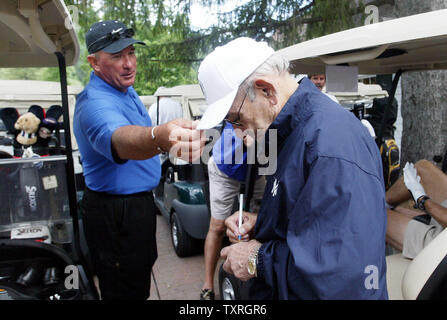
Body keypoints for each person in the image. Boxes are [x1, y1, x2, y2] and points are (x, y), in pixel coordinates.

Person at [196, 37, 388, 299]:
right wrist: (264, 222)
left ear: (266, 90)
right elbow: (311, 218)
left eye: (236, 119)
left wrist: (257, 259)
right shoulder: (290, 132)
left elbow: (343, 272)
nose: (237, 132)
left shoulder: (329, 145)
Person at [73, 20, 203, 300]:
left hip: (137, 204)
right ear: (94, 63)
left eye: (131, 53)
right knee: (122, 289)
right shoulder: (94, 102)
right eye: (117, 56)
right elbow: (121, 139)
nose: (129, 63)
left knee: (139, 276)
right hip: (114, 211)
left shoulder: (123, 89)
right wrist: (159, 137)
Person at [200, 122, 266, 300]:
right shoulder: (241, 103)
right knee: (218, 226)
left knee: (260, 224)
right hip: (225, 168)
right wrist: (250, 139)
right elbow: (243, 131)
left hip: (257, 171)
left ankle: (252, 276)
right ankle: (207, 285)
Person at [386, 160, 447, 259]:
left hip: (442, 247)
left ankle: (368, 217)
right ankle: (383, 204)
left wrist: (422, 200)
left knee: (373, 213)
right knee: (422, 169)